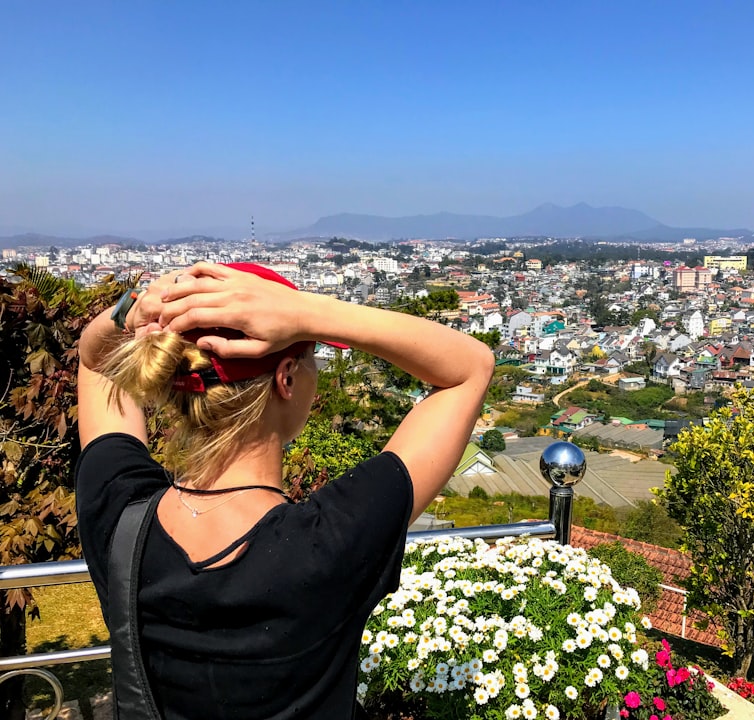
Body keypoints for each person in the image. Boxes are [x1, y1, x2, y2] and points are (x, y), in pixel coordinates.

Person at [75, 262, 495, 719]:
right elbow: (470, 368)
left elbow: (94, 361)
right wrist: (306, 311)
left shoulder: (119, 515)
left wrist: (132, 310)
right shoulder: (333, 539)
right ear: (287, 377)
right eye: (312, 357)